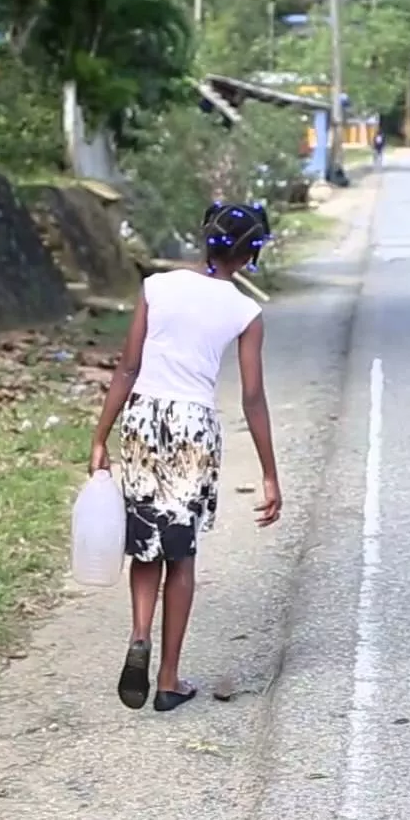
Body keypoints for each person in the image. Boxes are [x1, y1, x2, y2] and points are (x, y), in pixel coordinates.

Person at [88, 203, 283, 713]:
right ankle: (169, 679)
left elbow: (128, 367)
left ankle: (138, 636)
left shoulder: (158, 287)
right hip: (193, 427)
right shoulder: (245, 312)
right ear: (250, 254)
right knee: (182, 552)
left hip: (143, 420)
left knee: (145, 541)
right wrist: (269, 473)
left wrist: (99, 438)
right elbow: (253, 398)